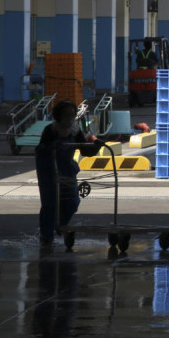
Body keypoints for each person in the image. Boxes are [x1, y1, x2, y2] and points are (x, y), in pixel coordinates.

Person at [34, 100, 105, 249]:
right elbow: (40, 150)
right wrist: (51, 146)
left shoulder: (75, 130)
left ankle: (60, 225)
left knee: (72, 202)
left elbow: (84, 150)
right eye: (67, 115)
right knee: (50, 204)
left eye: (72, 115)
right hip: (49, 171)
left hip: (67, 169)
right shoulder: (50, 130)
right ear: (59, 116)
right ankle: (46, 236)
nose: (70, 119)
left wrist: (95, 146)